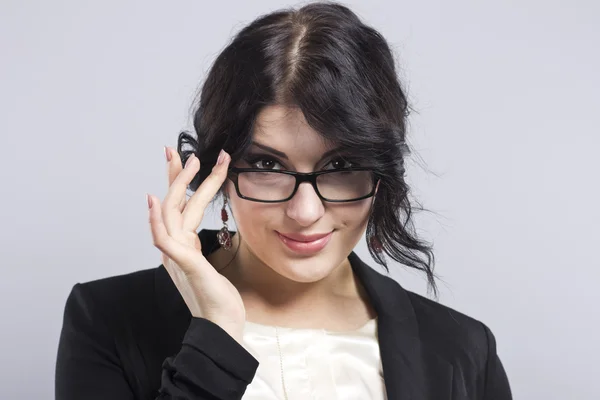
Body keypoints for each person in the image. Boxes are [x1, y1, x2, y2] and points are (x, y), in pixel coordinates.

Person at [55, 2, 512, 399]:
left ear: (381, 171)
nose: (306, 212)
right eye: (268, 167)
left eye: (339, 167)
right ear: (219, 172)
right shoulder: (108, 320)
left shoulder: (462, 350)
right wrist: (216, 335)